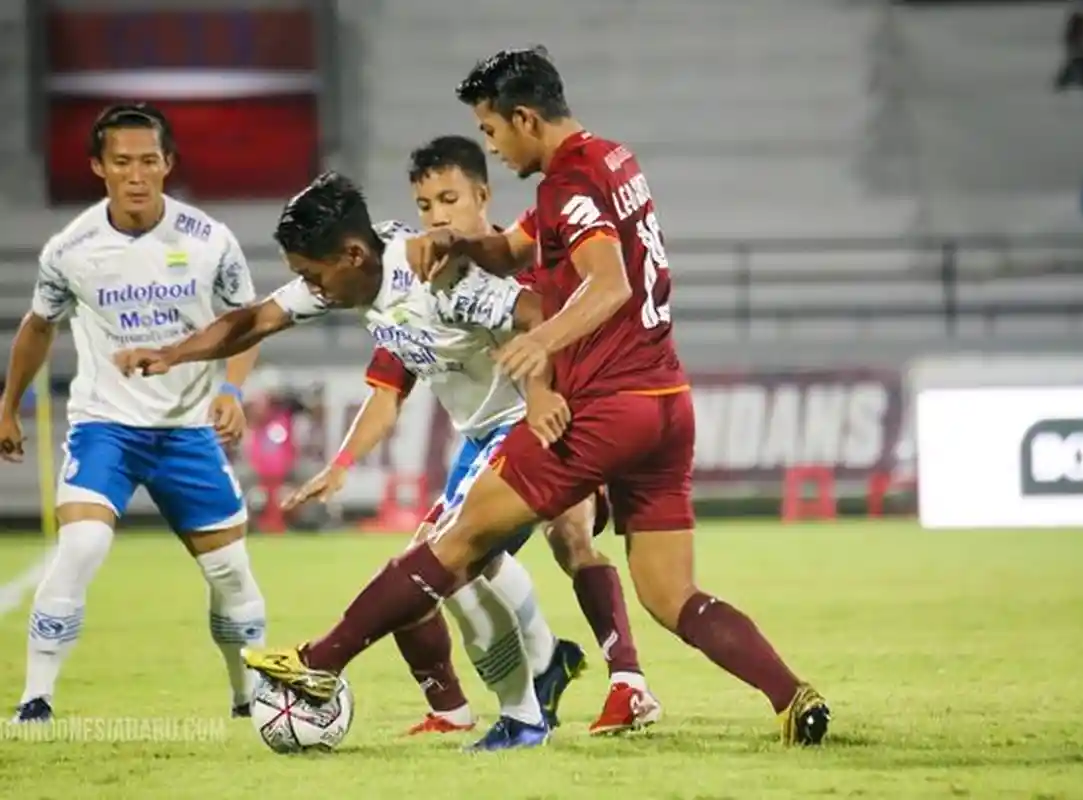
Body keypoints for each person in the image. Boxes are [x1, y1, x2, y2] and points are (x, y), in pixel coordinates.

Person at [234, 46, 832, 747]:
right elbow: (515, 249)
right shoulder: (612, 159)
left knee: (457, 540)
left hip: (607, 403)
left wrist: (545, 342)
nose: (490, 143)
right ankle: (794, 698)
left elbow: (608, 284)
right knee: (673, 597)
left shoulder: (566, 184)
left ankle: (317, 662)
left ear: (523, 117)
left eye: (491, 130)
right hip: (668, 400)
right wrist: (461, 239)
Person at [111, 169, 592, 751]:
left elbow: (536, 312)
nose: (309, 289)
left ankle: (522, 711)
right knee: (459, 575)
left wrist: (541, 393)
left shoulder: (438, 280)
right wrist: (172, 354)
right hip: (483, 438)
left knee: (446, 565)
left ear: (352, 254)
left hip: (526, 430)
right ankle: (531, 696)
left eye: (312, 276)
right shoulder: (363, 269)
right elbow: (257, 319)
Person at [282, 136, 660, 736]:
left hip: (560, 420)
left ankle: (626, 681)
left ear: (482, 196)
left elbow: (564, 323)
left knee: (567, 538)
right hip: (482, 442)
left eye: (449, 200)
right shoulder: (421, 284)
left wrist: (555, 395)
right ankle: (504, 683)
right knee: (437, 565)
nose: (436, 216)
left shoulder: (524, 264)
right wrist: (343, 463)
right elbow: (388, 389)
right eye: (425, 204)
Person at [0, 103, 266, 722]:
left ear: (168, 164)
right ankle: (34, 698)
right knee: (83, 544)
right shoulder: (71, 249)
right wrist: (8, 404)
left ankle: (246, 697)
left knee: (229, 572)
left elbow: (245, 324)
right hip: (107, 427)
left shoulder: (209, 241)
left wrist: (231, 392)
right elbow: (39, 326)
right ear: (99, 167)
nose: (137, 174)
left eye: (149, 160)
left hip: (186, 430)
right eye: (123, 162)